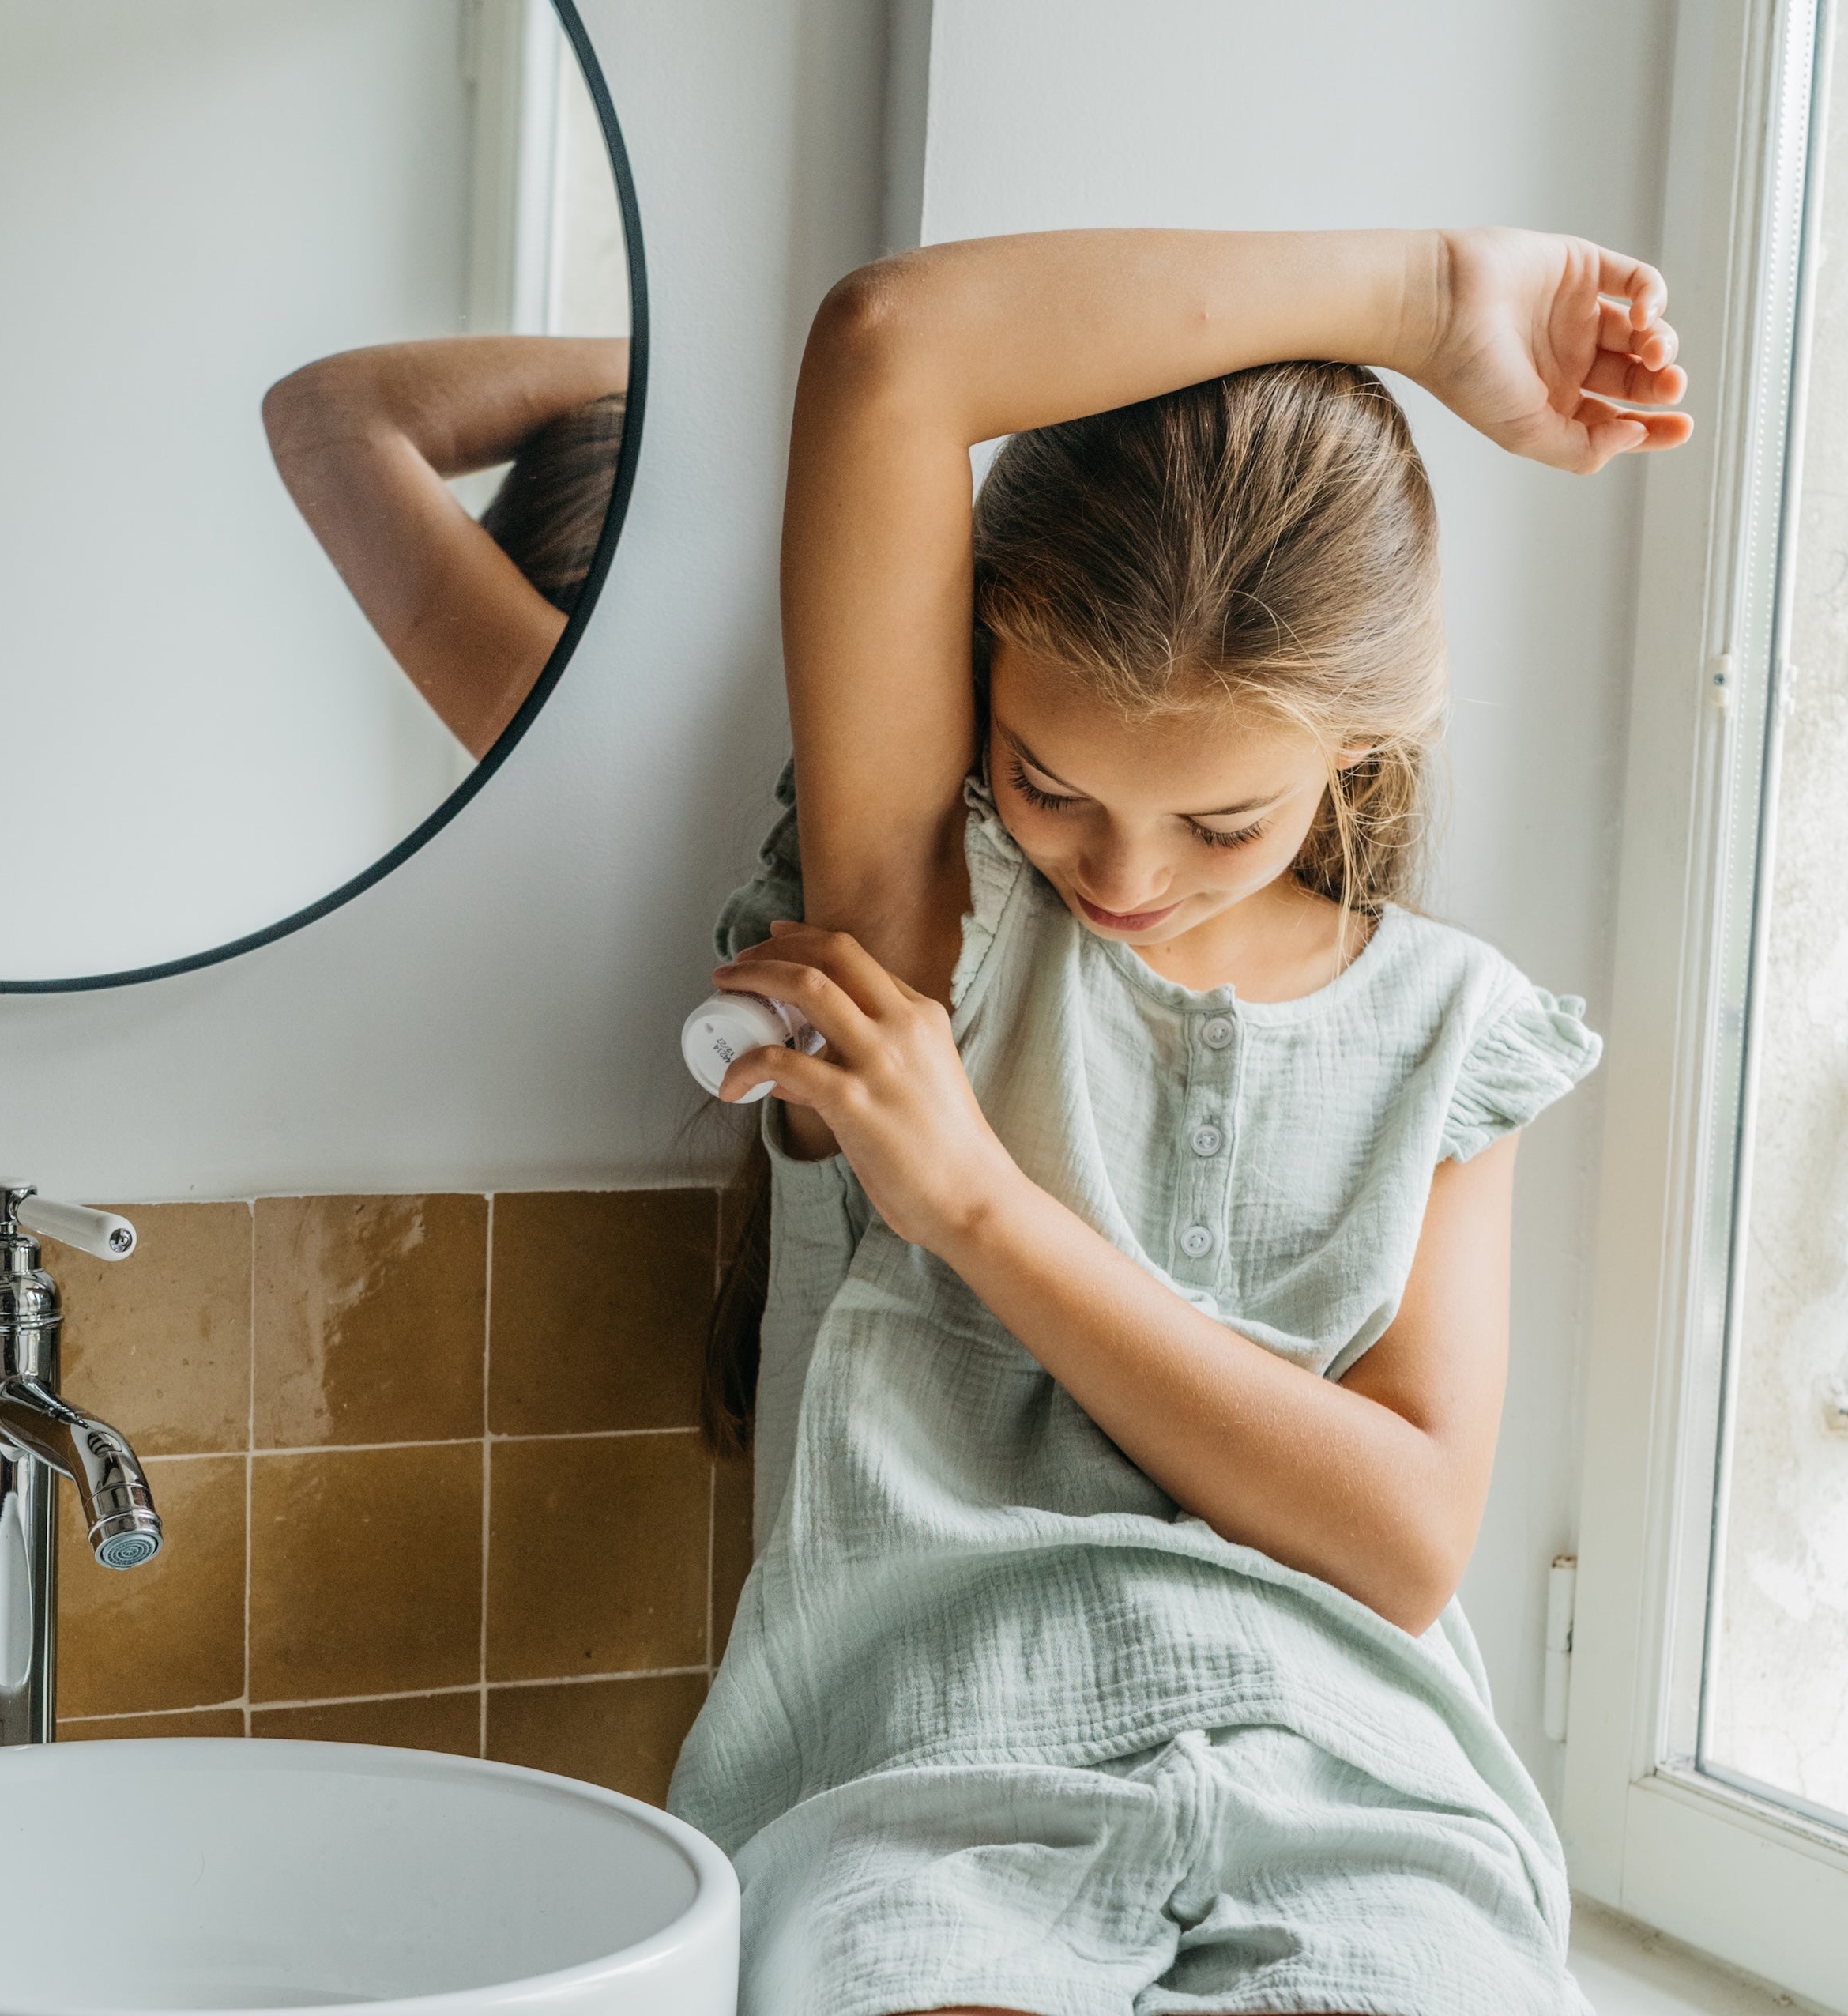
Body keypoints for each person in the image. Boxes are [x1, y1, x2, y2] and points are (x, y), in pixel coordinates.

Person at [671, 228, 1689, 2016]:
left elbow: (1400, 1540)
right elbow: (889, 346)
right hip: (935, 1790)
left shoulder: (1451, 1032)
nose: (1123, 873)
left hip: (1363, 1800)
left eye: (1221, 822)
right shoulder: (934, 932)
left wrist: (978, 1206)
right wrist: (1430, 298)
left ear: (1362, 744)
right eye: (1047, 781)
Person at [262, 335, 628, 757]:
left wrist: (660, 380)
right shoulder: (604, 715)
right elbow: (324, 413)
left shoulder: (600, 718)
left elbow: (330, 414)